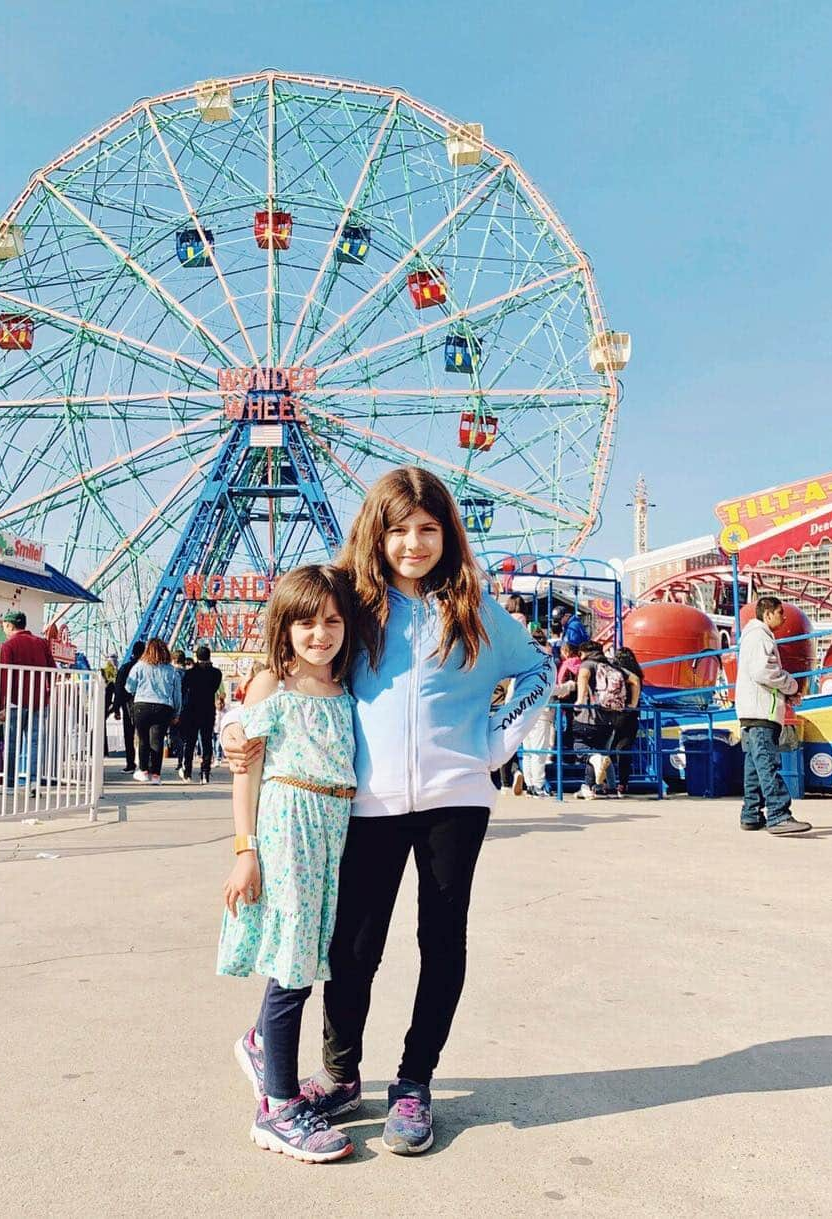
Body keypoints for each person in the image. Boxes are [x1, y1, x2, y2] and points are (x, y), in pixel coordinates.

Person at [224, 466, 553, 1156]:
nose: (413, 543)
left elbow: (539, 670)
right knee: (352, 947)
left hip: (454, 803)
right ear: (377, 531)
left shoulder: (476, 611)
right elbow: (290, 641)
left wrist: (496, 742)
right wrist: (240, 719)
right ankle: (341, 1074)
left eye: (428, 528)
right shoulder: (352, 602)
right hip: (364, 803)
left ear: (447, 533)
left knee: (442, 942)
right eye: (399, 528)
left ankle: (414, 1081)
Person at [218, 564, 359, 1163]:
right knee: (293, 961)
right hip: (288, 828)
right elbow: (244, 767)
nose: (320, 633)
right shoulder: (273, 685)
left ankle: (259, 1044)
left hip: (335, 829)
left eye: (332, 620)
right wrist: (244, 851)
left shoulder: (348, 687)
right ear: (285, 625)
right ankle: (277, 1107)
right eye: (306, 621)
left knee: (309, 950)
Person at [737, 596, 810, 834]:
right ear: (767, 614)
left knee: (754, 766)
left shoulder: (751, 637)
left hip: (751, 710)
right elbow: (763, 671)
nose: (784, 616)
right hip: (762, 711)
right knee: (767, 764)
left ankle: (751, 813)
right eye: (780, 612)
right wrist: (791, 684)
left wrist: (785, 692)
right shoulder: (760, 637)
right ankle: (779, 814)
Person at [0, 610, 57, 787]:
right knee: (35, 742)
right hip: (38, 701)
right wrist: (47, 695)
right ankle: (33, 781)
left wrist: (1, 704)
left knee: (12, 742)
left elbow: (5, 675)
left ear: (9, 625)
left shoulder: (9, 646)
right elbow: (52, 670)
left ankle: (9, 783)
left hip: (15, 701)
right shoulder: (41, 643)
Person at [573, 640, 637, 799]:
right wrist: (632, 704)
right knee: (598, 751)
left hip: (589, 717)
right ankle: (588, 787)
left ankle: (593, 764)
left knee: (579, 745)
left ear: (583, 652)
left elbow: (583, 675)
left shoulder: (588, 664)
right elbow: (635, 679)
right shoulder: (613, 665)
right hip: (611, 718)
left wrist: (580, 699)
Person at [520, 627, 575, 797]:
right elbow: (548, 689)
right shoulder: (543, 663)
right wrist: (569, 686)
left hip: (524, 712)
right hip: (541, 713)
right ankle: (538, 785)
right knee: (539, 751)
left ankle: (529, 785)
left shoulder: (523, 664)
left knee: (529, 751)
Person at [126, 638, 182, 785]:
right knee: (157, 742)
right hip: (163, 707)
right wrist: (176, 713)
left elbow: (129, 687)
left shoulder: (139, 666)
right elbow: (177, 694)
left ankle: (143, 771)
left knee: (143, 740)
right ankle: (156, 775)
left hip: (142, 705)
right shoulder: (172, 670)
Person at [178, 644, 223, 784]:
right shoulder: (216, 673)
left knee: (190, 743)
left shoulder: (190, 673)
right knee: (206, 742)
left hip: (191, 711)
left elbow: (183, 689)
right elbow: (214, 688)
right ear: (209, 656)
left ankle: (187, 773)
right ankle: (205, 774)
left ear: (197, 657)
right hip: (208, 711)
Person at [609, 647, 644, 793]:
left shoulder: (620, 673)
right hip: (631, 716)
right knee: (623, 750)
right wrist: (634, 705)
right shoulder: (637, 673)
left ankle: (609, 782)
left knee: (610, 749)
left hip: (617, 713)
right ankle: (623, 783)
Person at [115, 642, 144, 773]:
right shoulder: (147, 668)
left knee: (129, 735)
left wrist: (116, 707)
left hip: (128, 704)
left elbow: (119, 689)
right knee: (144, 735)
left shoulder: (125, 667)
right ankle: (145, 764)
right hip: (144, 703)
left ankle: (130, 763)